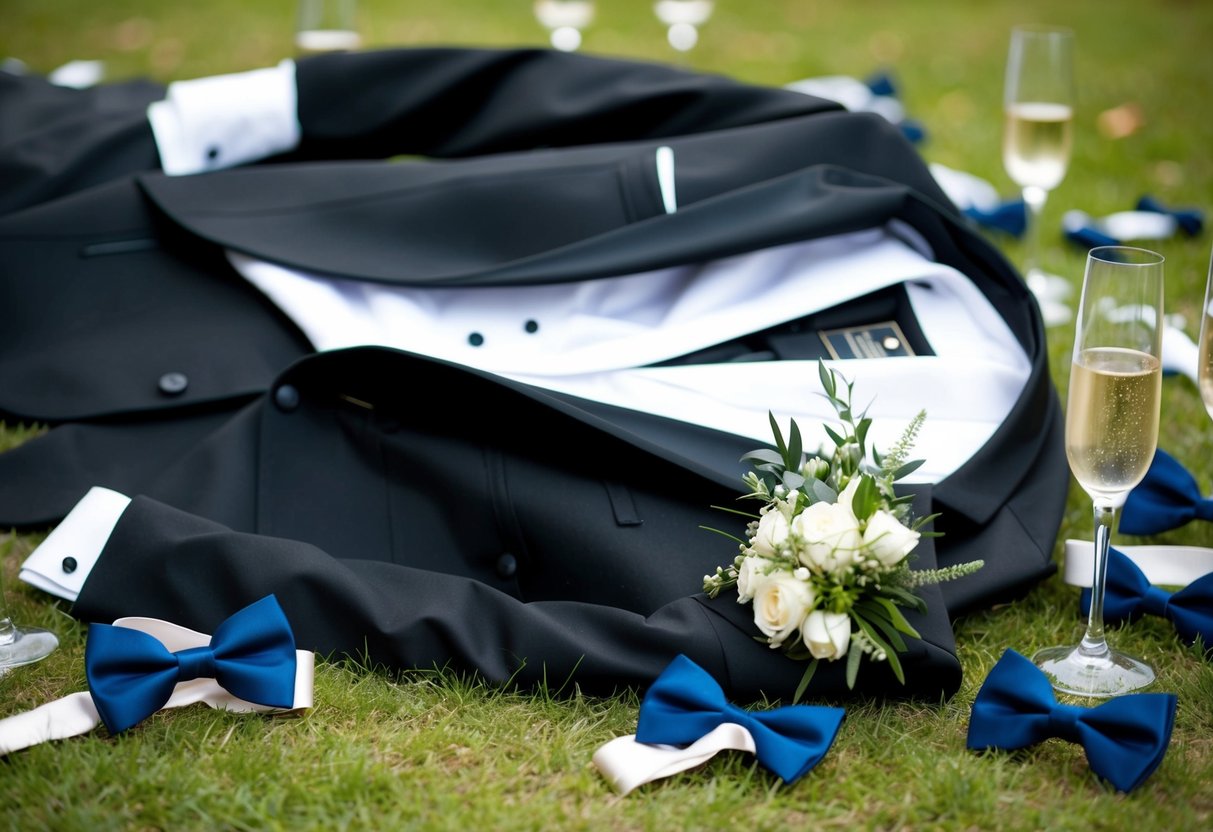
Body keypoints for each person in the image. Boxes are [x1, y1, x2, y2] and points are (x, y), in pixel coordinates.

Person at [1, 46, 1068, 702]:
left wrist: (168, 564)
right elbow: (543, 92)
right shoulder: (855, 173)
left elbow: (595, 647)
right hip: (240, 255)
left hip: (272, 486)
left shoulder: (939, 542)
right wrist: (250, 113)